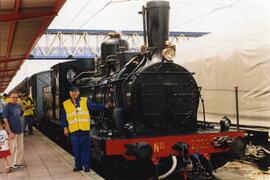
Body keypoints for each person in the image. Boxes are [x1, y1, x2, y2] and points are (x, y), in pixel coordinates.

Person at [61, 86, 105, 172]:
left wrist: (104, 106)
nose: (74, 93)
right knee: (76, 149)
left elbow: (94, 106)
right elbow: (63, 118)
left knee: (85, 149)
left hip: (84, 130)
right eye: (72, 91)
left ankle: (86, 166)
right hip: (74, 131)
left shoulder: (85, 101)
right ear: (70, 93)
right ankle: (78, 166)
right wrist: (65, 128)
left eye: (76, 91)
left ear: (78, 92)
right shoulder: (66, 104)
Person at [3, 91, 25, 169]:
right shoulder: (7, 107)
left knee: (20, 148)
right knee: (11, 148)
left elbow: (20, 116)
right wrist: (10, 132)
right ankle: (10, 164)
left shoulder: (18, 105)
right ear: (9, 98)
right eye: (13, 97)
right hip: (12, 131)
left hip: (20, 130)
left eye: (16, 97)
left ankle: (18, 162)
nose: (15, 98)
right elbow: (5, 120)